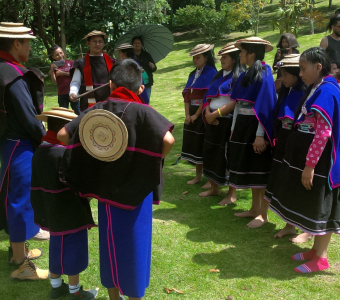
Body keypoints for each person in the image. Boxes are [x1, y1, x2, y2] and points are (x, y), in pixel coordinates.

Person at [57, 59, 175, 300]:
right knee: (135, 245)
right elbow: (168, 141)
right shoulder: (144, 111)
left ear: (111, 84)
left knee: (110, 245)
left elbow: (62, 135)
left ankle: (114, 297)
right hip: (137, 193)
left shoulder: (98, 110)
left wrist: (95, 154)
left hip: (106, 193)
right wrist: (146, 163)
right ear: (140, 89)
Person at [268, 47, 340, 273]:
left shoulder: (327, 91)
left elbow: (323, 132)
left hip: (323, 164)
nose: (300, 74)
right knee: (314, 206)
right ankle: (315, 251)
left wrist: (309, 166)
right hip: (313, 161)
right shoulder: (317, 87)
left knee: (322, 207)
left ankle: (321, 258)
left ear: (318, 67)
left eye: (302, 69)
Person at [0, 22, 49, 280]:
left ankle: (18, 250)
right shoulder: (10, 74)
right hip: (19, 143)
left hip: (11, 142)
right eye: (27, 42)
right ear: (16, 44)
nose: (29, 46)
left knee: (16, 195)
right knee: (20, 199)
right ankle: (20, 263)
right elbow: (29, 118)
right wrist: (46, 139)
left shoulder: (0, 67)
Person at [30, 108, 99, 299]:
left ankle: (56, 286)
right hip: (70, 211)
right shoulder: (63, 153)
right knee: (74, 250)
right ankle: (75, 292)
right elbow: (79, 183)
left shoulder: (40, 150)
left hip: (50, 210)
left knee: (56, 244)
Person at [264, 54, 313, 243]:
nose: (281, 79)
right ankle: (290, 225)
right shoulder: (289, 92)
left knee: (301, 185)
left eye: (285, 74)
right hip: (285, 143)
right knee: (287, 184)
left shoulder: (306, 95)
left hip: (300, 145)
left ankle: (308, 229)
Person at [228, 37, 276, 228]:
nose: (240, 55)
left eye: (242, 51)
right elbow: (238, 105)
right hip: (242, 126)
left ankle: (263, 214)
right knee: (250, 168)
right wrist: (233, 129)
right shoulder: (244, 76)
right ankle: (254, 208)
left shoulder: (265, 75)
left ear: (252, 53)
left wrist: (259, 135)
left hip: (256, 127)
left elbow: (265, 108)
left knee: (260, 169)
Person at [199, 42, 245, 205]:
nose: (221, 60)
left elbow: (235, 101)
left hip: (227, 121)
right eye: (221, 57)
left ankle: (231, 194)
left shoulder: (239, 76)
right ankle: (214, 187)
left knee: (227, 155)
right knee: (210, 152)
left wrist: (216, 114)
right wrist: (207, 114)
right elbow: (207, 97)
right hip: (212, 119)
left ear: (234, 59)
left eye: (225, 57)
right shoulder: (218, 76)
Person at [181, 44, 217, 186]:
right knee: (195, 144)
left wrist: (196, 115)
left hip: (202, 112)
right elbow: (186, 96)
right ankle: (198, 176)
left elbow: (207, 97)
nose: (195, 60)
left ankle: (210, 179)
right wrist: (187, 115)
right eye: (194, 58)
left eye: (198, 57)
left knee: (204, 145)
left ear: (206, 58)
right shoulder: (193, 74)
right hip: (192, 112)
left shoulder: (211, 73)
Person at [70, 30, 114, 111]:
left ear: (103, 44)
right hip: (88, 105)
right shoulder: (81, 63)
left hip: (109, 103)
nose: (97, 44)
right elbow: (76, 82)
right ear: (88, 43)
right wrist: (73, 92)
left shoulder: (112, 62)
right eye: (94, 41)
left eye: (100, 41)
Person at [320, 16, 340, 88]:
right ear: (333, 27)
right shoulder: (325, 40)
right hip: (331, 75)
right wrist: (331, 68)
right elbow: (320, 58)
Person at [49, 45, 79, 114]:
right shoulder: (54, 66)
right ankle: (65, 125)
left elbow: (74, 75)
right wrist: (52, 69)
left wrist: (62, 73)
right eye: (57, 54)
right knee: (64, 114)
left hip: (72, 92)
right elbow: (54, 81)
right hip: (62, 94)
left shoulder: (70, 62)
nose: (60, 55)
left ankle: (79, 124)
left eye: (61, 53)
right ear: (53, 57)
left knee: (77, 111)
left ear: (63, 53)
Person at [132, 36, 157, 103]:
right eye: (135, 43)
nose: (137, 45)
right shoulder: (131, 56)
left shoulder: (146, 54)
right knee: (138, 102)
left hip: (147, 83)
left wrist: (153, 66)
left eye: (138, 43)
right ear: (132, 45)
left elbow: (154, 69)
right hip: (136, 83)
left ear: (141, 44)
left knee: (146, 102)